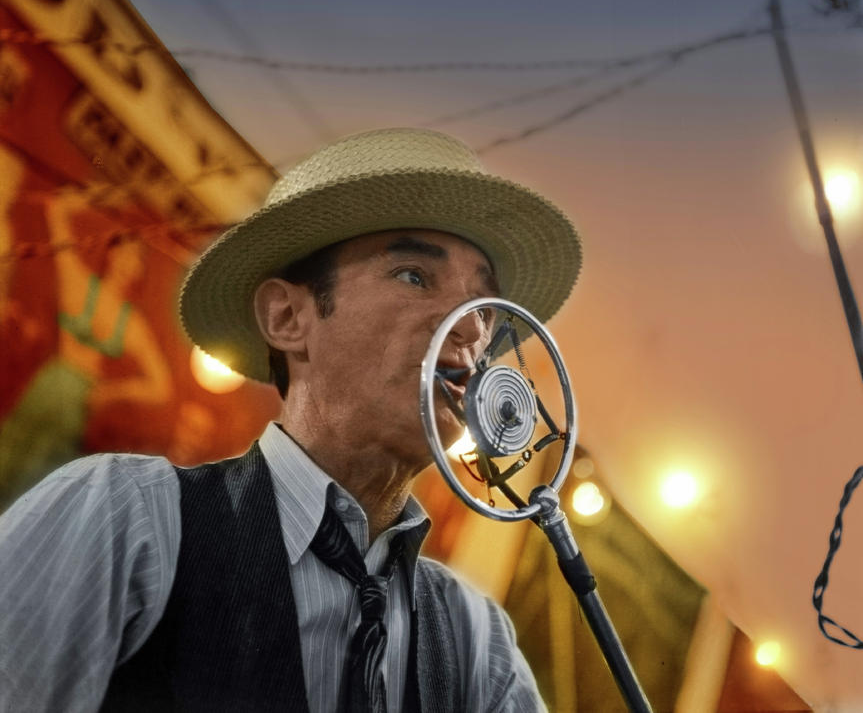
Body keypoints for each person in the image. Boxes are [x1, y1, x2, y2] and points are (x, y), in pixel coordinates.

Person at [0, 127, 582, 712]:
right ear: (286, 318)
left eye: (483, 305)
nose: (470, 328)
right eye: (413, 276)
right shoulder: (121, 519)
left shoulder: (479, 645)